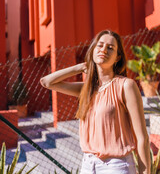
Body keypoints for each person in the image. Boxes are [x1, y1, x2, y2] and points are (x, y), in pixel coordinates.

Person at [40, 29, 150, 174]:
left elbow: (142, 137)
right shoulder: (86, 89)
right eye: (100, 45)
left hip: (116, 166)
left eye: (110, 48)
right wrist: (79, 67)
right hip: (88, 164)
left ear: (117, 57)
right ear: (93, 51)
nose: (104, 50)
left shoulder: (126, 86)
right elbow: (46, 82)